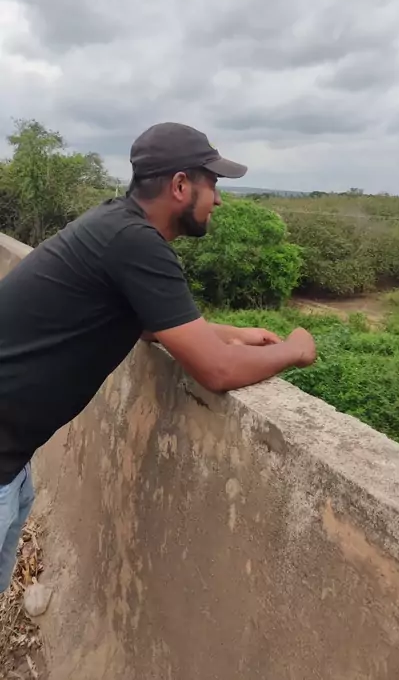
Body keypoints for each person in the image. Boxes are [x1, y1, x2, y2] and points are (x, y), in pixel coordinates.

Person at [0, 122, 316, 592]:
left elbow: (146, 323)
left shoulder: (113, 223)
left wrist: (232, 334)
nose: (218, 201)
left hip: (12, 458)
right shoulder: (136, 242)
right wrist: (296, 349)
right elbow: (215, 371)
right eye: (213, 185)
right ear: (181, 185)